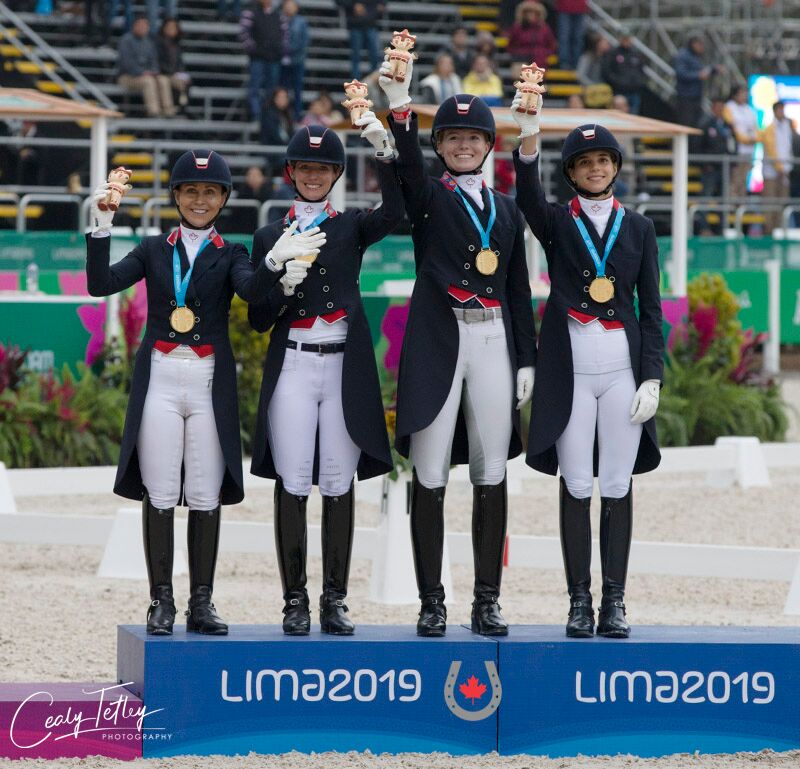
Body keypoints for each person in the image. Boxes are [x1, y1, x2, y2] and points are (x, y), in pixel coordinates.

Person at [85, 150, 278, 635]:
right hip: (162, 377)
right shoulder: (153, 249)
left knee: (206, 489)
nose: (199, 200)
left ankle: (202, 601)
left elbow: (251, 291)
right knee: (161, 489)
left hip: (209, 379)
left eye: (209, 192)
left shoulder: (232, 252)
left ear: (223, 198)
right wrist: (101, 228)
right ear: (176, 196)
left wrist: (274, 264)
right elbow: (100, 284)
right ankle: (161, 601)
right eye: (191, 191)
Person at [379, 58, 537, 637]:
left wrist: (527, 356)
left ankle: (487, 600)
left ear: (488, 145)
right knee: (431, 470)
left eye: (473, 137)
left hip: (493, 338)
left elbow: (518, 288)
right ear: (439, 145)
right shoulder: (428, 197)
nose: (464, 145)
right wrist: (400, 110)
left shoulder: (509, 209)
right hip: (441, 338)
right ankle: (432, 601)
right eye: (452, 137)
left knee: (491, 470)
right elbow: (407, 170)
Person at [512, 91, 663, 640]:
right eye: (584, 162)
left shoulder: (640, 228)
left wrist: (653, 376)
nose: (595, 168)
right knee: (576, 482)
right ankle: (579, 600)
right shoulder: (557, 222)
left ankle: (614, 601)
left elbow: (651, 308)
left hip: (621, 369)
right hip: (570, 369)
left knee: (617, 483)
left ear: (615, 167)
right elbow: (527, 197)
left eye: (603, 160)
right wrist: (529, 133)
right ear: (572, 172)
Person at [248, 119, 404, 636]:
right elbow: (257, 318)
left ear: (336, 173)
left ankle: (335, 599)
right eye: (305, 168)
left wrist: (386, 153)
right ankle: (294, 600)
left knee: (338, 482)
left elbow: (397, 211)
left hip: (341, 365)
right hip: (294, 363)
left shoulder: (352, 226)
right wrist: (280, 283)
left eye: (323, 168)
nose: (313, 176)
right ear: (291, 172)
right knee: (293, 481)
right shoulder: (269, 236)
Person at [117, 16, 177, 118]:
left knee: (163, 80)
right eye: (140, 25)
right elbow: (126, 63)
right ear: (134, 26)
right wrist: (142, 72)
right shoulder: (126, 41)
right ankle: (154, 112)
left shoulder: (149, 42)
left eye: (145, 26)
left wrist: (153, 71)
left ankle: (168, 111)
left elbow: (154, 62)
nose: (142, 28)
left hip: (147, 75)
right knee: (148, 81)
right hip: (127, 76)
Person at [240, 0, 282, 122]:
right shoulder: (250, 11)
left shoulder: (277, 14)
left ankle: (269, 116)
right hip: (257, 58)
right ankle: (256, 115)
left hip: (273, 58)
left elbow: (285, 34)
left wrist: (279, 49)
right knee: (255, 87)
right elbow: (243, 33)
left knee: (272, 89)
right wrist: (254, 49)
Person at [672, 36, 721, 129]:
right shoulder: (683, 56)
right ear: (694, 44)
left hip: (696, 95)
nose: (702, 48)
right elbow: (681, 73)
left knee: (696, 123)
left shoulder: (696, 57)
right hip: (686, 96)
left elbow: (703, 71)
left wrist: (713, 69)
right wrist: (698, 75)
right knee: (686, 122)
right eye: (700, 45)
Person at [762, 100, 795, 234]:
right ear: (774, 111)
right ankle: (768, 232)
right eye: (779, 110)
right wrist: (779, 167)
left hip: (785, 172)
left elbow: (788, 149)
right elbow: (771, 150)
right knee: (770, 203)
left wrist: (786, 168)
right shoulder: (770, 129)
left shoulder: (787, 128)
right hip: (772, 173)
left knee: (782, 203)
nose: (782, 112)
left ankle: (778, 231)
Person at [723, 85, 759, 197]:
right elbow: (733, 128)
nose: (744, 96)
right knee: (735, 179)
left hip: (749, 150)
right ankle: (732, 203)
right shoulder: (729, 107)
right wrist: (746, 139)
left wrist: (754, 138)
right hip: (737, 149)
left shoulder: (749, 109)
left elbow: (755, 128)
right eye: (742, 93)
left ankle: (741, 203)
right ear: (735, 95)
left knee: (744, 179)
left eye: (746, 93)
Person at [697, 97, 736, 198]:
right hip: (710, 167)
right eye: (718, 107)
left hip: (724, 166)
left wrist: (732, 163)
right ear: (713, 108)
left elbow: (733, 144)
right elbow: (698, 145)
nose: (720, 109)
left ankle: (722, 210)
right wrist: (704, 164)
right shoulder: (705, 124)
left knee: (724, 194)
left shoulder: (728, 126)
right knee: (707, 193)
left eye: (722, 107)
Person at [601, 28, 645, 115]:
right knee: (619, 116)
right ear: (620, 38)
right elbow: (607, 72)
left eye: (628, 38)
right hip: (619, 92)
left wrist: (639, 83)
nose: (626, 40)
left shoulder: (636, 54)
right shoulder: (613, 53)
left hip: (634, 92)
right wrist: (618, 84)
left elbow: (641, 71)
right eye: (624, 38)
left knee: (634, 117)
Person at [338, 0, 384, 80]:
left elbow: (383, 4)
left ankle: (372, 83)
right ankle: (357, 84)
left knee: (375, 57)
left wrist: (381, 4)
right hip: (356, 25)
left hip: (370, 24)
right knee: (356, 58)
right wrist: (353, 5)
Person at [279, 0, 309, 118]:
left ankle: (297, 114)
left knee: (297, 89)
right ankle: (283, 114)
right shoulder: (279, 20)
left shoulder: (301, 22)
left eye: (291, 5)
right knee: (282, 89)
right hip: (282, 60)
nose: (289, 8)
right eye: (287, 5)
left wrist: (290, 49)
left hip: (297, 60)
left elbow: (304, 41)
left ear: (296, 8)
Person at [506, 1, 556, 70]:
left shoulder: (544, 28)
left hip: (539, 61)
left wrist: (543, 53)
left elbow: (551, 45)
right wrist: (520, 53)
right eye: (528, 12)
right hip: (521, 60)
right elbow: (511, 45)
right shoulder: (517, 27)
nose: (531, 15)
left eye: (534, 12)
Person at [156, 17, 191, 110]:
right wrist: (172, 73)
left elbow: (180, 63)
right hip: (162, 73)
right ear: (163, 28)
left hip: (174, 74)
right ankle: (168, 110)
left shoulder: (177, 44)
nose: (171, 29)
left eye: (173, 27)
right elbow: (157, 62)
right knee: (165, 81)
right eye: (169, 27)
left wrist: (181, 73)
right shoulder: (157, 43)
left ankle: (182, 109)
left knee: (186, 81)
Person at [260, 86, 296, 160]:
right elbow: (274, 135)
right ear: (274, 98)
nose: (283, 99)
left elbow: (291, 133)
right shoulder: (268, 113)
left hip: (285, 149)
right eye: (280, 97)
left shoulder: (288, 114)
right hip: (272, 150)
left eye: (285, 97)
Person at [556, 0, 588, 70]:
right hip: (565, 8)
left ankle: (576, 63)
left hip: (580, 8)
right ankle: (565, 63)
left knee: (577, 38)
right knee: (565, 37)